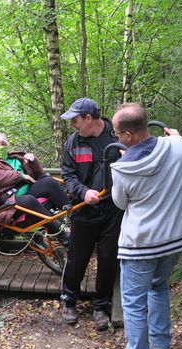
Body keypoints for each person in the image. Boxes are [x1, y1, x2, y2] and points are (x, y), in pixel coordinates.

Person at [110, 103, 182, 349]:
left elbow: (120, 203)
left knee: (134, 303)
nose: (118, 138)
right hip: (173, 241)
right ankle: (161, 347)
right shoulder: (177, 146)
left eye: (118, 134)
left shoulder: (122, 167)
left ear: (128, 136)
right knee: (158, 287)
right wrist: (178, 137)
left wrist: (120, 165)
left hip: (139, 245)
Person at [59, 98, 124, 331]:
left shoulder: (118, 138)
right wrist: (84, 192)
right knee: (77, 258)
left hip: (114, 210)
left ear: (89, 118)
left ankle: (101, 306)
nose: (73, 125)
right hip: (83, 210)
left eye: (75, 120)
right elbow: (67, 175)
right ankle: (68, 301)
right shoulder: (72, 143)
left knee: (108, 258)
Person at [0, 132, 70, 242]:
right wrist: (20, 176)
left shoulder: (15, 157)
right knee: (28, 200)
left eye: (3, 144)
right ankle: (61, 233)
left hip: (26, 189)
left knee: (49, 182)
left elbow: (39, 174)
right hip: (6, 199)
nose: (1, 147)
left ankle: (72, 219)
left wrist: (33, 161)